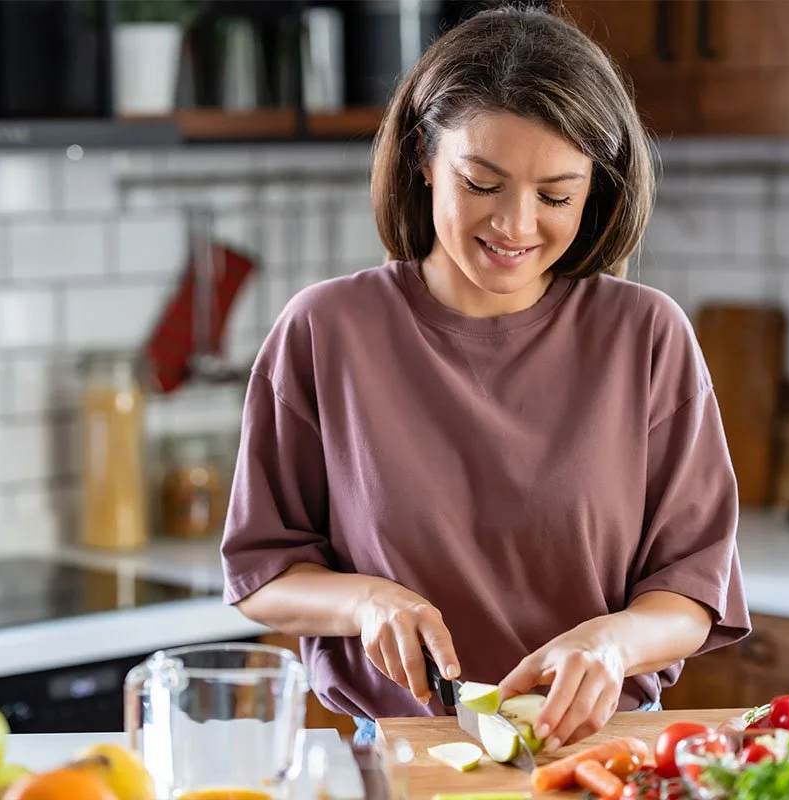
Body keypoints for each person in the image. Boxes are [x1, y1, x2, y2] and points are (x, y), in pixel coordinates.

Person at [219, 4, 751, 751]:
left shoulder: (647, 336)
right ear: (422, 157)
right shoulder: (325, 332)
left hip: (607, 756)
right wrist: (367, 602)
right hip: (401, 757)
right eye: (482, 182)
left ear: (594, 188)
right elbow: (261, 574)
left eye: (556, 196)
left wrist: (611, 644)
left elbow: (693, 591)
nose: (517, 225)